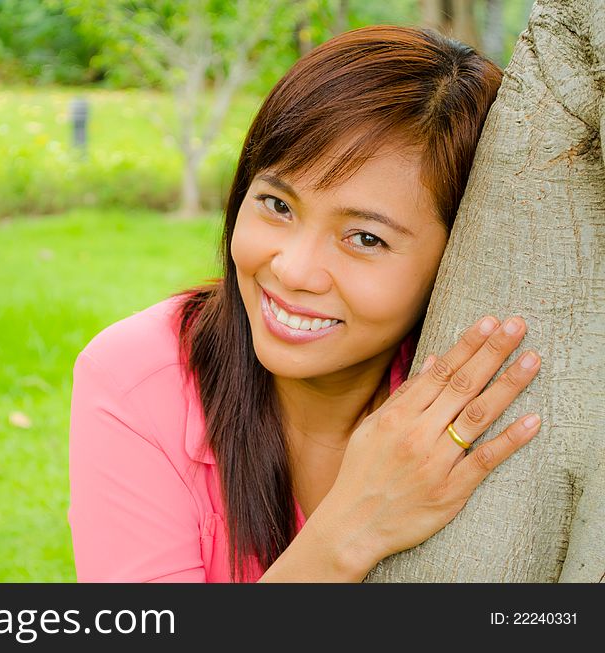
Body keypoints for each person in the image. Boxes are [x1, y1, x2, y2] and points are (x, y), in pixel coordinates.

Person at [67, 25, 543, 582]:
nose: (291, 269)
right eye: (277, 204)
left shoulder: (484, 401)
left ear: (457, 259)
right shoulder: (139, 380)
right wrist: (350, 530)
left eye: (365, 238)